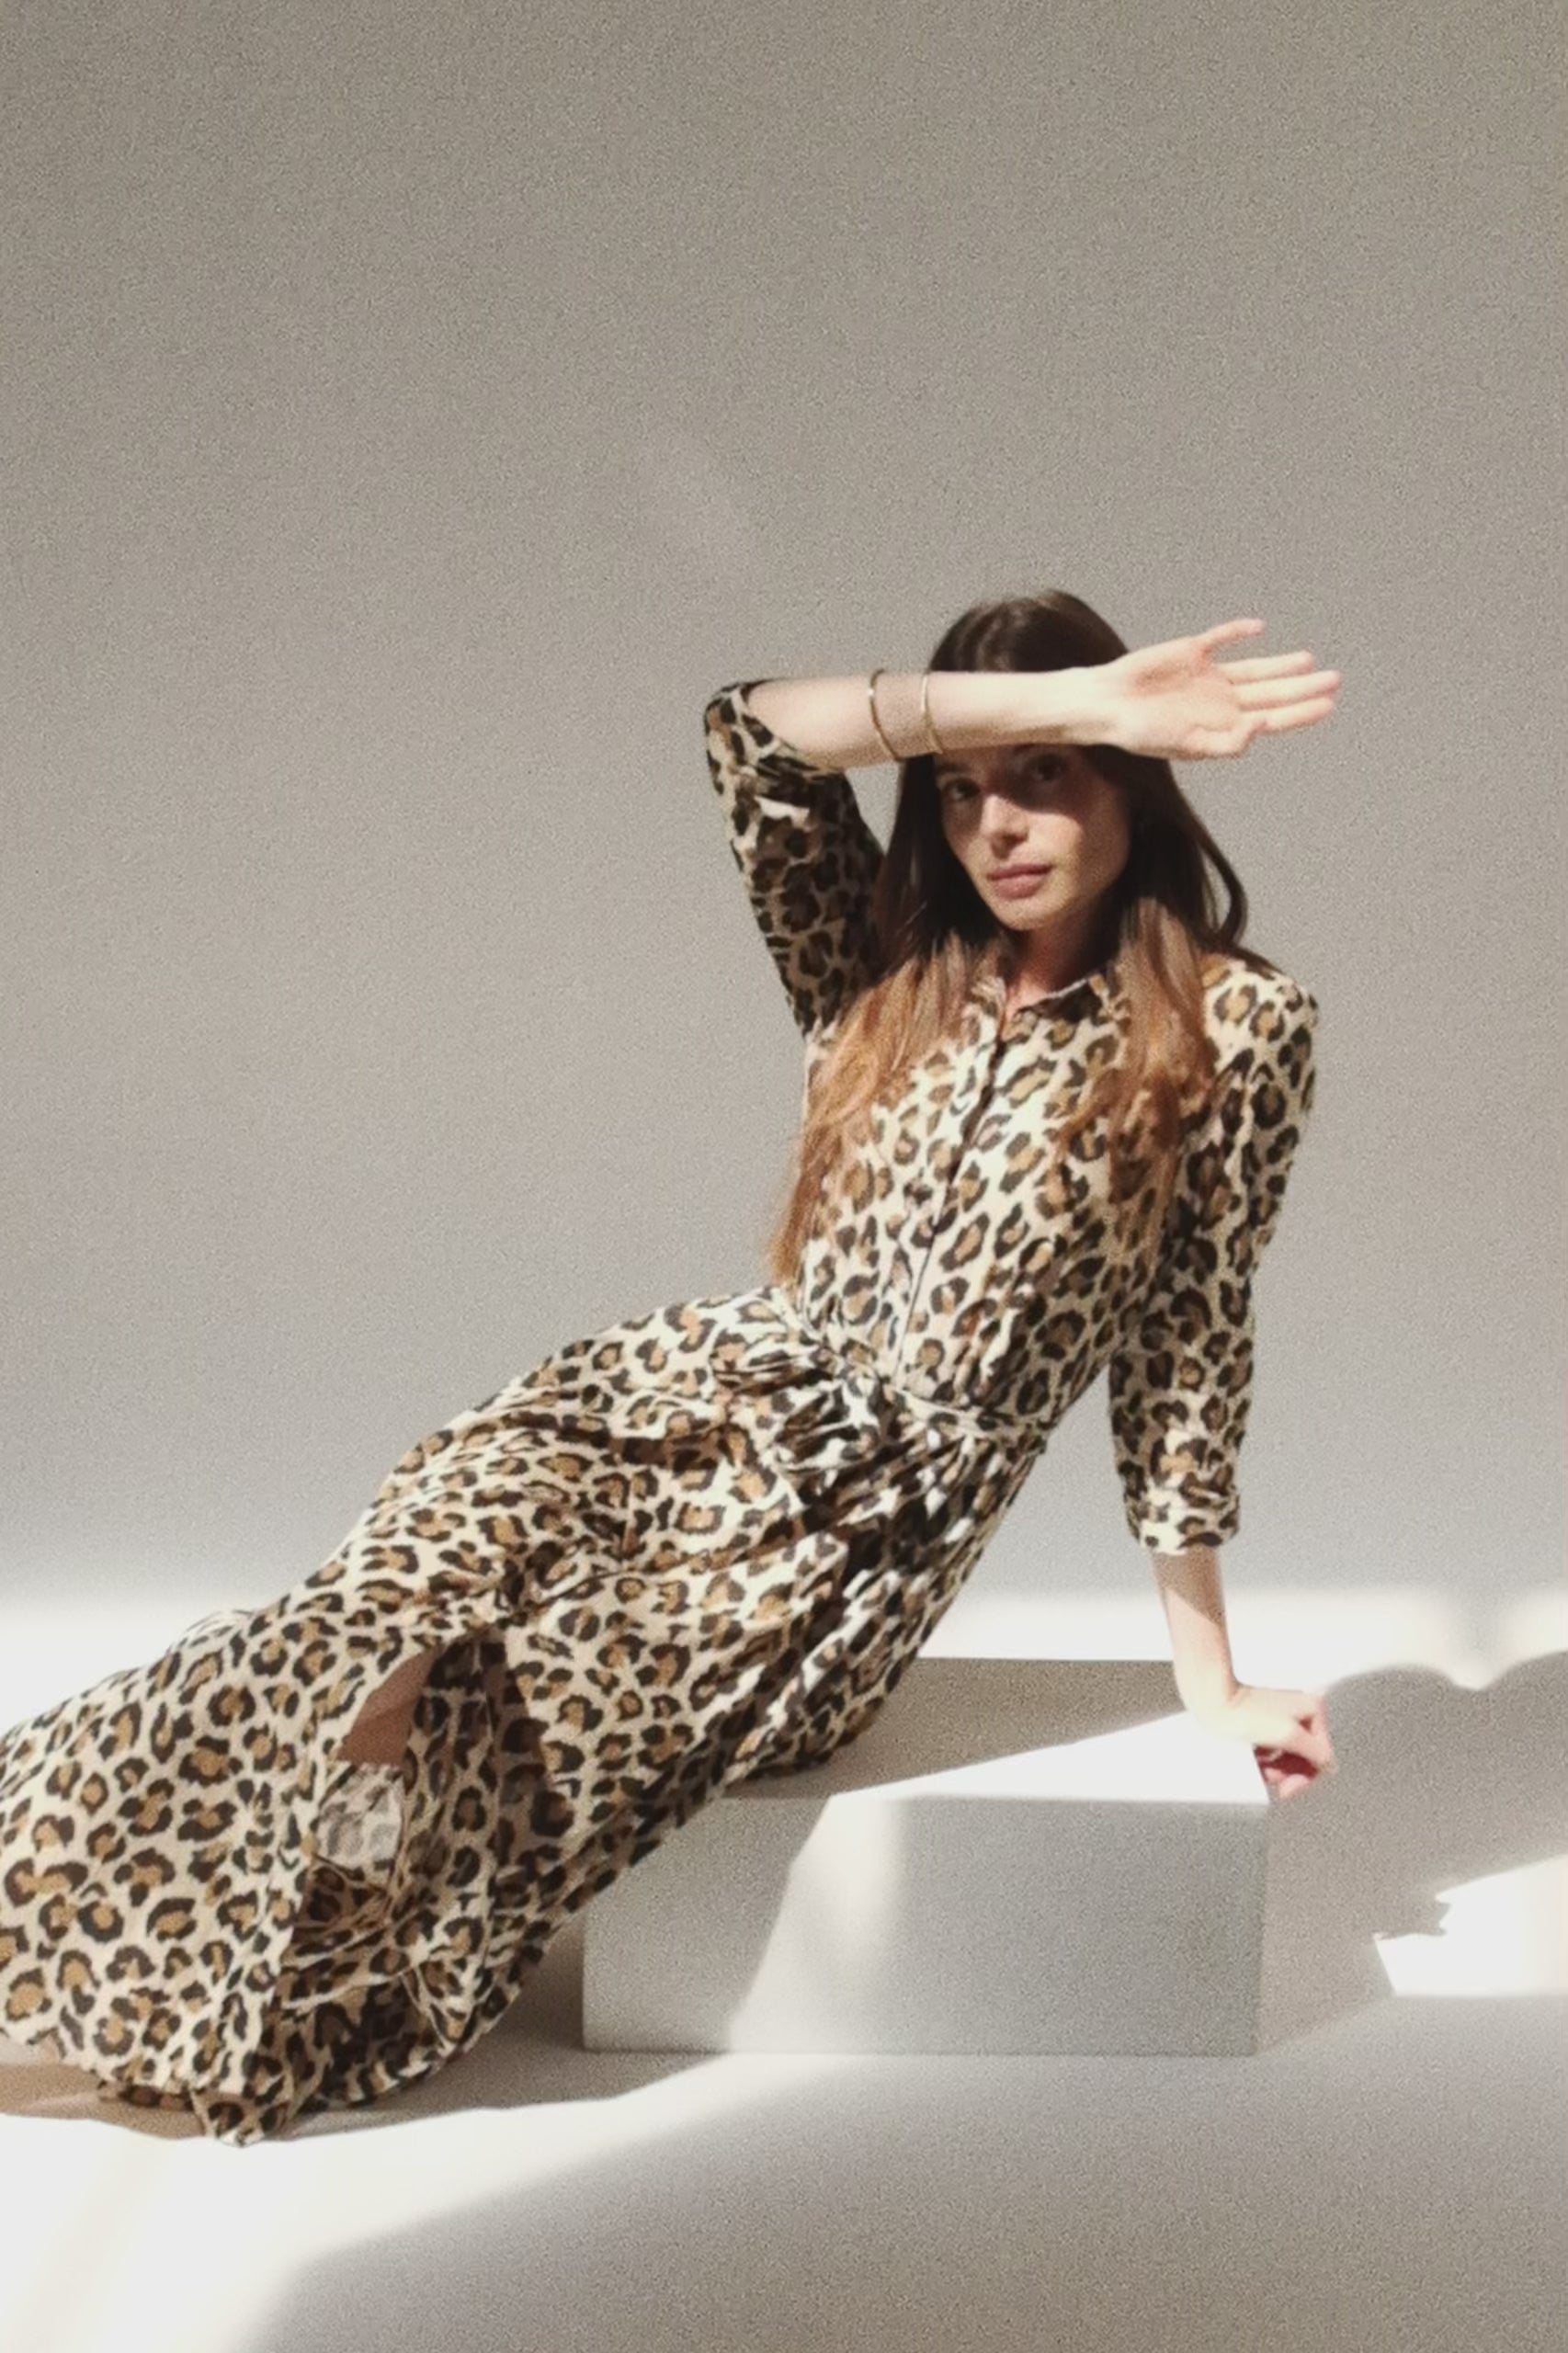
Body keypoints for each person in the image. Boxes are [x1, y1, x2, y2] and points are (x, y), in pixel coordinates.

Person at [0, 593, 1340, 2144]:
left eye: (1046, 777)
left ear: (1130, 792)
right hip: (671, 1400)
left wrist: (1206, 1680)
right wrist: (1075, 701)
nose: (997, 826)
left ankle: (247, 1981)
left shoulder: (1237, 1027)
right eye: (964, 787)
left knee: (488, 1735)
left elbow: (1187, 1343)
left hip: (841, 1540)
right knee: (354, 1638)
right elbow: (750, 736)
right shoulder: (883, 960)